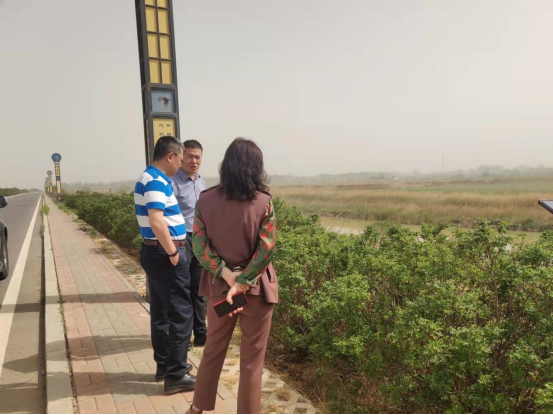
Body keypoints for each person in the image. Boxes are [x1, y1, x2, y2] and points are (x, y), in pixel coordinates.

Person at [188, 138, 278, 415]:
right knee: (252, 362)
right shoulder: (264, 202)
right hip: (256, 292)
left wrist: (227, 276)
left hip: (220, 290)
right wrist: (242, 281)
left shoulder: (205, 200)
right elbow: (266, 249)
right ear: (256, 167)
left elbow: (199, 247)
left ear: (226, 165)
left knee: (213, 349)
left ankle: (197, 409)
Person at [134, 136, 196, 395]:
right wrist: (172, 252)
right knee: (182, 312)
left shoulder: (149, 177)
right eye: (181, 159)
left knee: (161, 311)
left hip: (156, 252)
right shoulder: (156, 181)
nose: (182, 164)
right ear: (170, 156)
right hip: (165, 253)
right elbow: (157, 220)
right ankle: (176, 374)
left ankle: (165, 365)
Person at [171, 140, 208, 348]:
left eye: (198, 157)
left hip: (200, 239)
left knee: (199, 288)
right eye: (190, 156)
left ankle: (201, 334)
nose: (194, 161)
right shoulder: (173, 182)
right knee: (182, 289)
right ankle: (182, 337)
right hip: (181, 239)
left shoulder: (202, 183)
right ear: (182, 157)